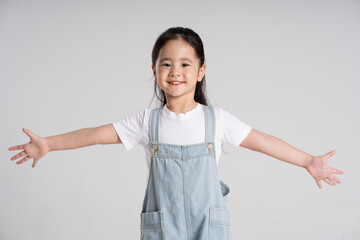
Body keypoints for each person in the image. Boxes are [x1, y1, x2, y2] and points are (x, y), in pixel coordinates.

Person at [8, 27, 343, 240]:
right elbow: (95, 134)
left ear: (201, 71)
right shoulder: (147, 122)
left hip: (208, 229)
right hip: (162, 229)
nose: (175, 71)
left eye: (185, 63)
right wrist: (48, 144)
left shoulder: (217, 120)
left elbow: (264, 142)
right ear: (154, 71)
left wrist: (307, 161)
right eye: (166, 63)